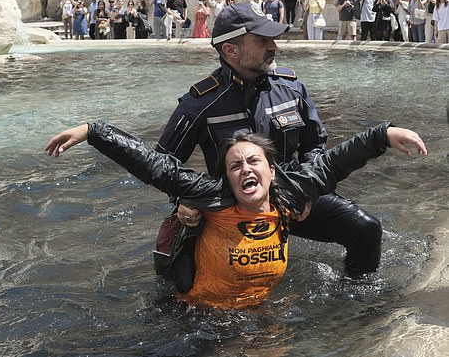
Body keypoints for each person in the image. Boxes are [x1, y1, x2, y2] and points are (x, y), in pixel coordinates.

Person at [46, 120, 426, 310]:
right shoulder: (213, 198)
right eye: (235, 165)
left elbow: (334, 161)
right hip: (198, 319)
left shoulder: (288, 193)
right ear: (227, 178)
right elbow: (155, 166)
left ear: (271, 171)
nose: (246, 169)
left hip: (260, 312)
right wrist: (93, 132)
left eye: (254, 162)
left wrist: (384, 135)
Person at [145, 3, 389, 293]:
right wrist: (183, 201)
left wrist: (308, 192)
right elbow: (161, 164)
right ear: (230, 51)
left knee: (366, 229)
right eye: (262, 41)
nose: (273, 46)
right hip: (229, 208)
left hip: (292, 198)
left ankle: (355, 302)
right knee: (184, 285)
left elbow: (314, 144)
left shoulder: (291, 87)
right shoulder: (200, 103)